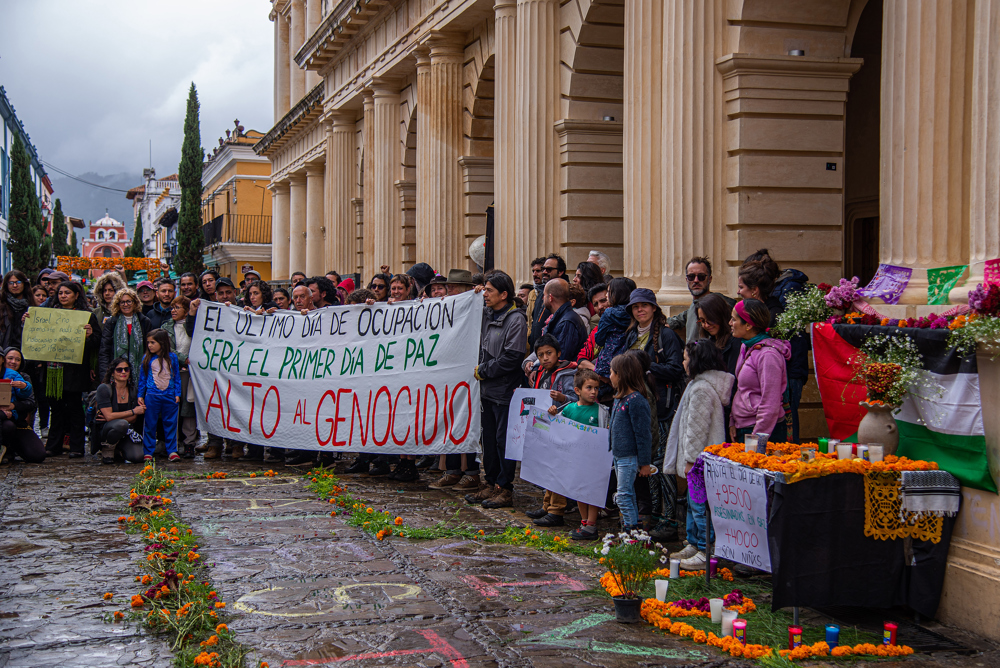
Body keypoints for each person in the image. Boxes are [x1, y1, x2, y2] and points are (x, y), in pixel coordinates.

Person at [622, 287, 684, 540]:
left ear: (654, 308)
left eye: (644, 306)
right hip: (638, 407)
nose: (640, 310)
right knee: (645, 464)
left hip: (662, 408)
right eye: (636, 307)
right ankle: (653, 516)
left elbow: (676, 369)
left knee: (662, 465)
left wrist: (646, 367)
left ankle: (668, 520)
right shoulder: (630, 335)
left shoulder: (666, 335)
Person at [666, 341, 732, 569]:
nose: (683, 362)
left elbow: (697, 430)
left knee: (700, 505)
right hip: (699, 461)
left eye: (685, 358)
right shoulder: (698, 385)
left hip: (699, 462)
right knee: (693, 502)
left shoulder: (702, 389)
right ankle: (694, 542)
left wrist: (691, 460)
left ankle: (705, 549)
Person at [466, 271, 525, 509]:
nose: (485, 294)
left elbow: (512, 358)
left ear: (504, 294)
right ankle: (490, 482)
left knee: (503, 441)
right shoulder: (486, 313)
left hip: (504, 392)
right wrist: (471, 296)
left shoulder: (516, 319)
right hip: (486, 391)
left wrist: (484, 370)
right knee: (487, 440)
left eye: (489, 290)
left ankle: (504, 487)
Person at [34, 281, 100, 458]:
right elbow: (38, 336)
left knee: (74, 407)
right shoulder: (48, 314)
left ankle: (76, 447)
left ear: (76, 295)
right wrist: (29, 321)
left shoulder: (86, 316)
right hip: (53, 370)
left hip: (75, 371)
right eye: (60, 293)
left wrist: (89, 336)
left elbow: (96, 343)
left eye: (67, 293)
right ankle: (54, 445)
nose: (63, 296)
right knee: (56, 408)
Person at [522, 333, 578, 527]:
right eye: (541, 355)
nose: (545, 358)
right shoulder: (539, 372)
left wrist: (562, 398)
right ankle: (546, 505)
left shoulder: (567, 373)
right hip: (544, 425)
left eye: (549, 353)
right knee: (547, 466)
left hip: (560, 425)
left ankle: (556, 510)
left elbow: (575, 399)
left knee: (557, 467)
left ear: (558, 353)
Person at [729, 298, 790, 444]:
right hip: (743, 426)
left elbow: (770, 402)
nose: (730, 323)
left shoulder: (768, 355)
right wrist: (733, 420)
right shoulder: (746, 346)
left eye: (733, 319)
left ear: (748, 325)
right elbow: (741, 389)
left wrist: (756, 440)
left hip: (761, 431)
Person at [608, 353, 652, 531]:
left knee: (623, 496)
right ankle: (633, 531)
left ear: (621, 375)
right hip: (618, 456)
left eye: (612, 372)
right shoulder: (619, 399)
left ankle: (630, 531)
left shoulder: (636, 401)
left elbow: (643, 435)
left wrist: (645, 463)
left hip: (629, 456)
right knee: (628, 495)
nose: (610, 376)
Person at [137, 329, 181, 462]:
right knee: (150, 424)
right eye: (148, 342)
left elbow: (176, 376)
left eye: (153, 342)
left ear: (162, 343)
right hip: (152, 395)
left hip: (169, 395)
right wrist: (140, 394)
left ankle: (172, 450)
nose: (149, 345)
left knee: (171, 423)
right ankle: (148, 451)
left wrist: (177, 393)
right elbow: (142, 378)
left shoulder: (172, 357)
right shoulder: (147, 358)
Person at [668, 256, 733, 343]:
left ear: (709, 279)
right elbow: (679, 319)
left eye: (701, 276)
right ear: (687, 280)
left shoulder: (719, 305)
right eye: (691, 276)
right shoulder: (693, 307)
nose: (696, 280)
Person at [93, 356, 146, 464]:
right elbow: (109, 416)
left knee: (138, 456)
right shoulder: (104, 389)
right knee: (121, 424)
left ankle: (119, 450)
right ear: (112, 373)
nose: (123, 372)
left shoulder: (133, 390)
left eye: (126, 369)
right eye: (119, 370)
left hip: (126, 431)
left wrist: (113, 417)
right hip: (106, 431)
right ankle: (107, 448)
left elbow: (133, 419)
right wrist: (133, 411)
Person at [0, 348, 45, 464]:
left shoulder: (21, 377)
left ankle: (12, 447)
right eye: (10, 358)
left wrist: (13, 406)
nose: (13, 362)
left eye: (17, 360)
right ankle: (6, 450)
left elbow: (31, 403)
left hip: (18, 423)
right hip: (5, 421)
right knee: (7, 425)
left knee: (37, 455)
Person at [165, 295, 197, 459]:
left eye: (177, 307)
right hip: (172, 372)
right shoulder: (166, 327)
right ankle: (173, 443)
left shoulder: (194, 326)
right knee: (172, 407)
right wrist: (183, 359)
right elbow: (167, 348)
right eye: (172, 307)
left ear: (186, 311)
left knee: (188, 406)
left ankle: (189, 442)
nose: (173, 310)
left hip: (189, 373)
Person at [98, 288, 152, 381]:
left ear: (135, 303)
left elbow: (149, 349)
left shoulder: (144, 322)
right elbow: (104, 351)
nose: (126, 305)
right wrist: (105, 376)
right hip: (116, 373)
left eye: (129, 301)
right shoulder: (111, 322)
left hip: (140, 373)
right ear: (118, 304)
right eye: (122, 302)